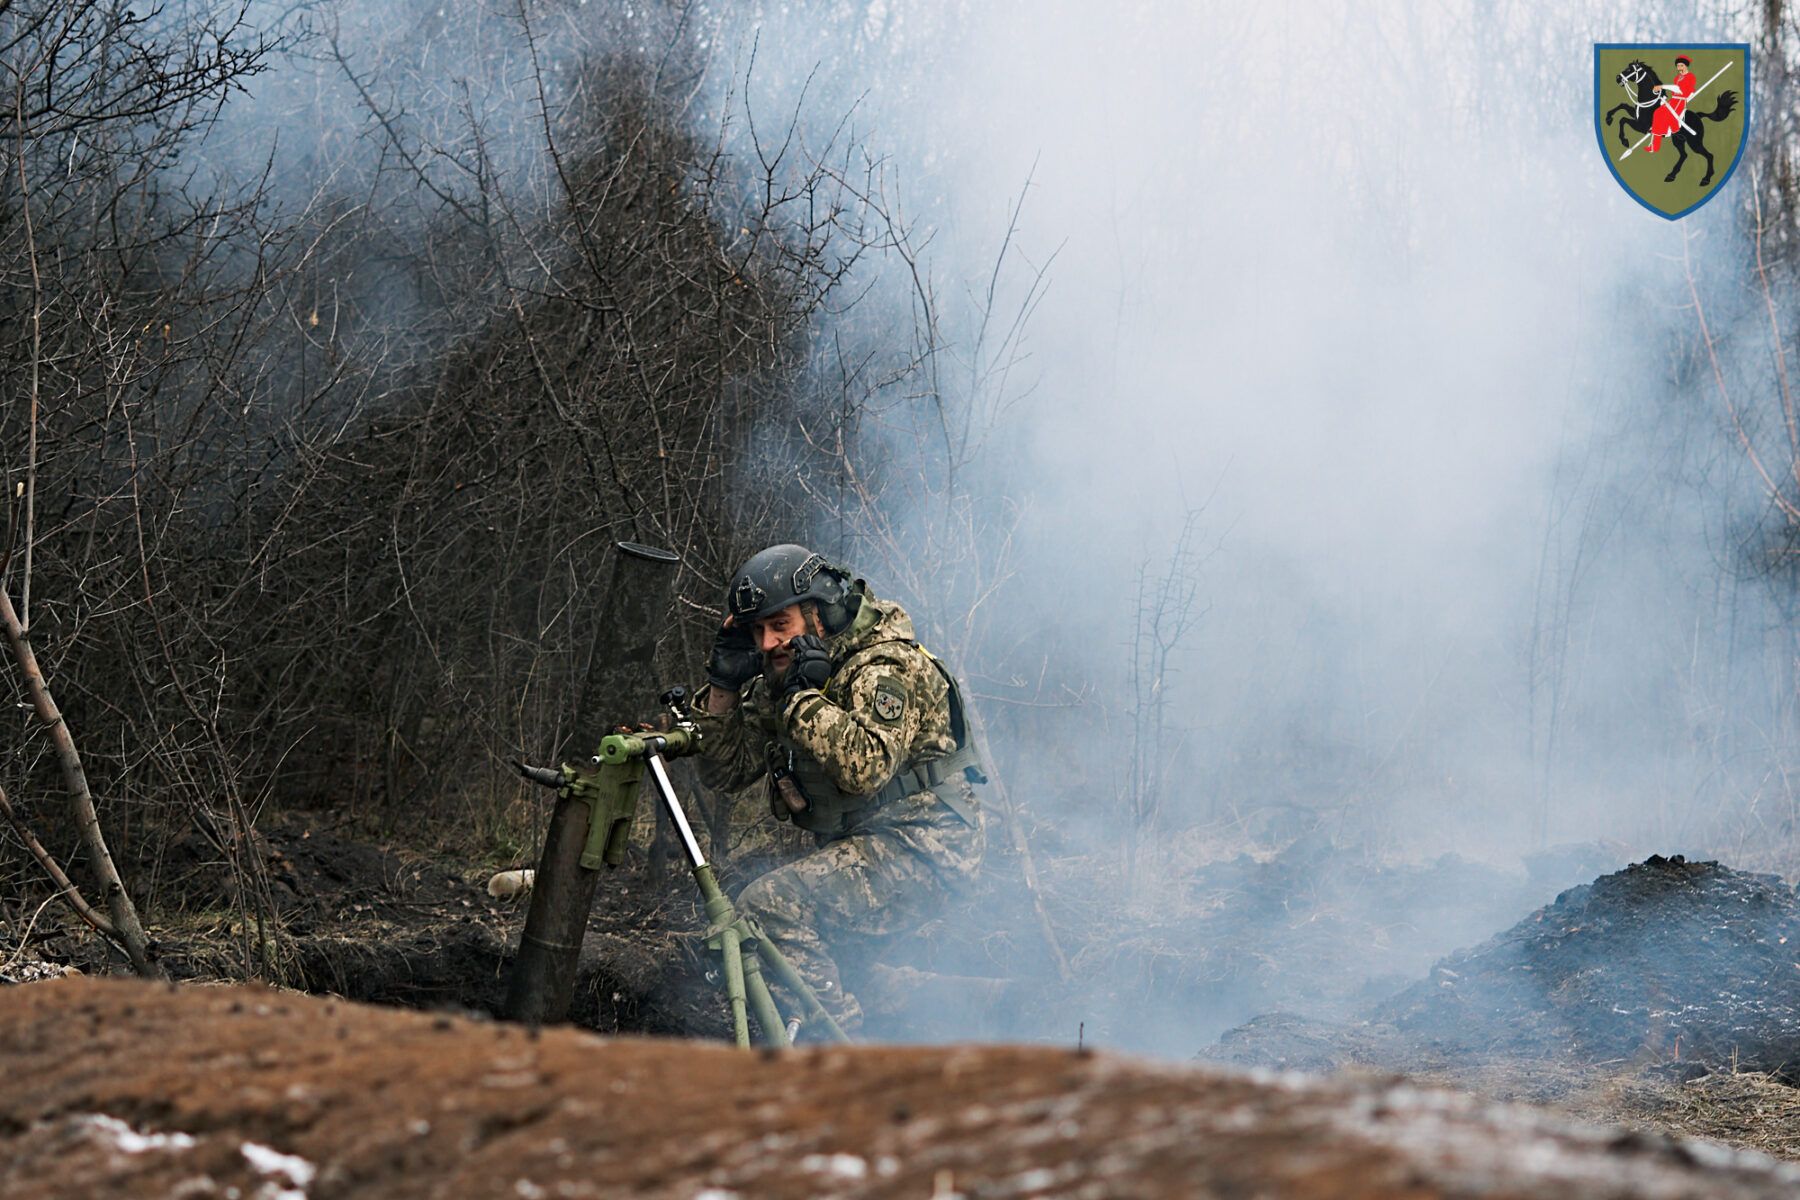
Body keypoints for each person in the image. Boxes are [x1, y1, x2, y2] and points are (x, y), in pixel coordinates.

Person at [690, 544, 986, 1034]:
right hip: (872, 846)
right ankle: (991, 1008)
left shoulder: (884, 666)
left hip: (927, 847)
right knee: (847, 975)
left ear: (821, 612)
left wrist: (799, 700)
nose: (768, 643)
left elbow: (866, 768)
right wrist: (722, 686)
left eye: (779, 625)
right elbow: (727, 772)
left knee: (770, 907)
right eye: (758, 631)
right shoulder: (794, 669)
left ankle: (832, 1046)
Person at [1648, 54, 1697, 154]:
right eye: (1678, 66)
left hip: (1680, 101)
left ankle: (1673, 129)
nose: (1679, 68)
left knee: (1668, 115)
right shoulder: (1677, 77)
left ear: (1686, 66)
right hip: (1673, 100)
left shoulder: (1690, 77)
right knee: (1657, 112)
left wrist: (1662, 86)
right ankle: (1655, 145)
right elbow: (1674, 90)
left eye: (1681, 65)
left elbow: (1679, 89)